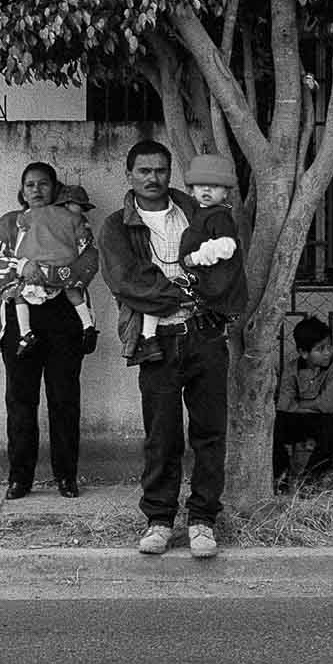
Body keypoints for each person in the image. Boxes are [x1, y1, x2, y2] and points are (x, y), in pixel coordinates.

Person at [99, 140, 246, 559]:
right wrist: (182, 296)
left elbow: (229, 264)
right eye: (143, 170)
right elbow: (127, 281)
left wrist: (206, 299)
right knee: (161, 436)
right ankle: (159, 520)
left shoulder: (198, 211)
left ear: (170, 173)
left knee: (210, 433)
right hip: (156, 341)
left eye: (161, 170)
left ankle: (202, 520)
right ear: (129, 174)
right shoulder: (116, 226)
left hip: (206, 336)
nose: (153, 178)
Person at [0, 162, 98, 500]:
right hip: (20, 319)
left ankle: (67, 476)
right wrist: (24, 268)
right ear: (22, 191)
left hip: (64, 317)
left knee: (64, 398)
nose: (36, 190)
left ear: (55, 189)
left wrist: (49, 275)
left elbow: (87, 262)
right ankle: (20, 478)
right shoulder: (10, 223)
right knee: (20, 400)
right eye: (30, 185)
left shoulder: (74, 222)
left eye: (44, 184)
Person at [130, 153, 244, 363]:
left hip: (205, 279)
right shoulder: (197, 212)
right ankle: (149, 339)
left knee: (160, 292)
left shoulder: (218, 216)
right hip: (194, 279)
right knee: (157, 291)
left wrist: (198, 257)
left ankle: (149, 338)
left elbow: (227, 245)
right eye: (201, 186)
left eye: (215, 186)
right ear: (191, 189)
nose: (207, 191)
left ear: (226, 192)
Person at [9, 182, 98, 353]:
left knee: (19, 294)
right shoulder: (78, 221)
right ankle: (88, 325)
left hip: (42, 270)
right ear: (66, 203)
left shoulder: (38, 215)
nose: (82, 210)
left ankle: (25, 333)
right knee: (73, 292)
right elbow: (84, 245)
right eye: (80, 206)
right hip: (64, 270)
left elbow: (22, 226)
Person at [272, 315, 333, 491]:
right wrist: (315, 404)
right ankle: (281, 474)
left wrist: (301, 404)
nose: (327, 352)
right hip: (297, 420)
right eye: (320, 349)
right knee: (275, 426)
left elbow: (330, 403)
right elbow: (284, 404)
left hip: (324, 420)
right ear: (303, 352)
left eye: (329, 346)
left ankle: (310, 476)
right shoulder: (292, 368)